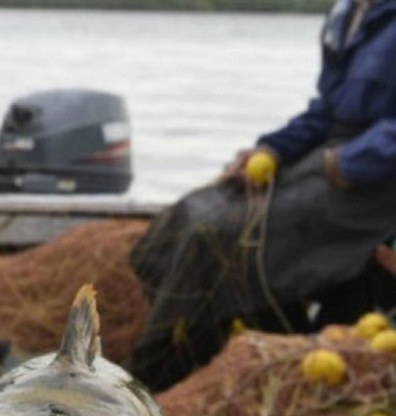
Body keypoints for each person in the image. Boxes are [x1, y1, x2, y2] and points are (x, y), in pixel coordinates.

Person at [129, 0, 396, 393]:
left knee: (218, 235)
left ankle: (155, 373)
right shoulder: (348, 12)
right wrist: (272, 148)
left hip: (376, 177)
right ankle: (209, 356)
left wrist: (351, 163)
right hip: (330, 156)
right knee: (191, 216)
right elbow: (325, 111)